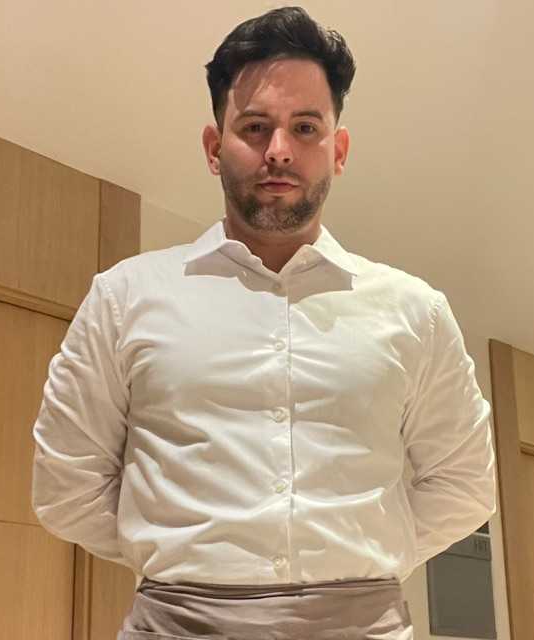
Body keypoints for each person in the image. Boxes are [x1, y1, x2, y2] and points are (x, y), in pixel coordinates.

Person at [31, 6, 496, 639]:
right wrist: (177, 557)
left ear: (338, 150)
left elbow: (464, 484)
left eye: (305, 127)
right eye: (255, 127)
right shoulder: (123, 297)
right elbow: (67, 483)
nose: (279, 150)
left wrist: (362, 563)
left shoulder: (416, 310)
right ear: (214, 147)